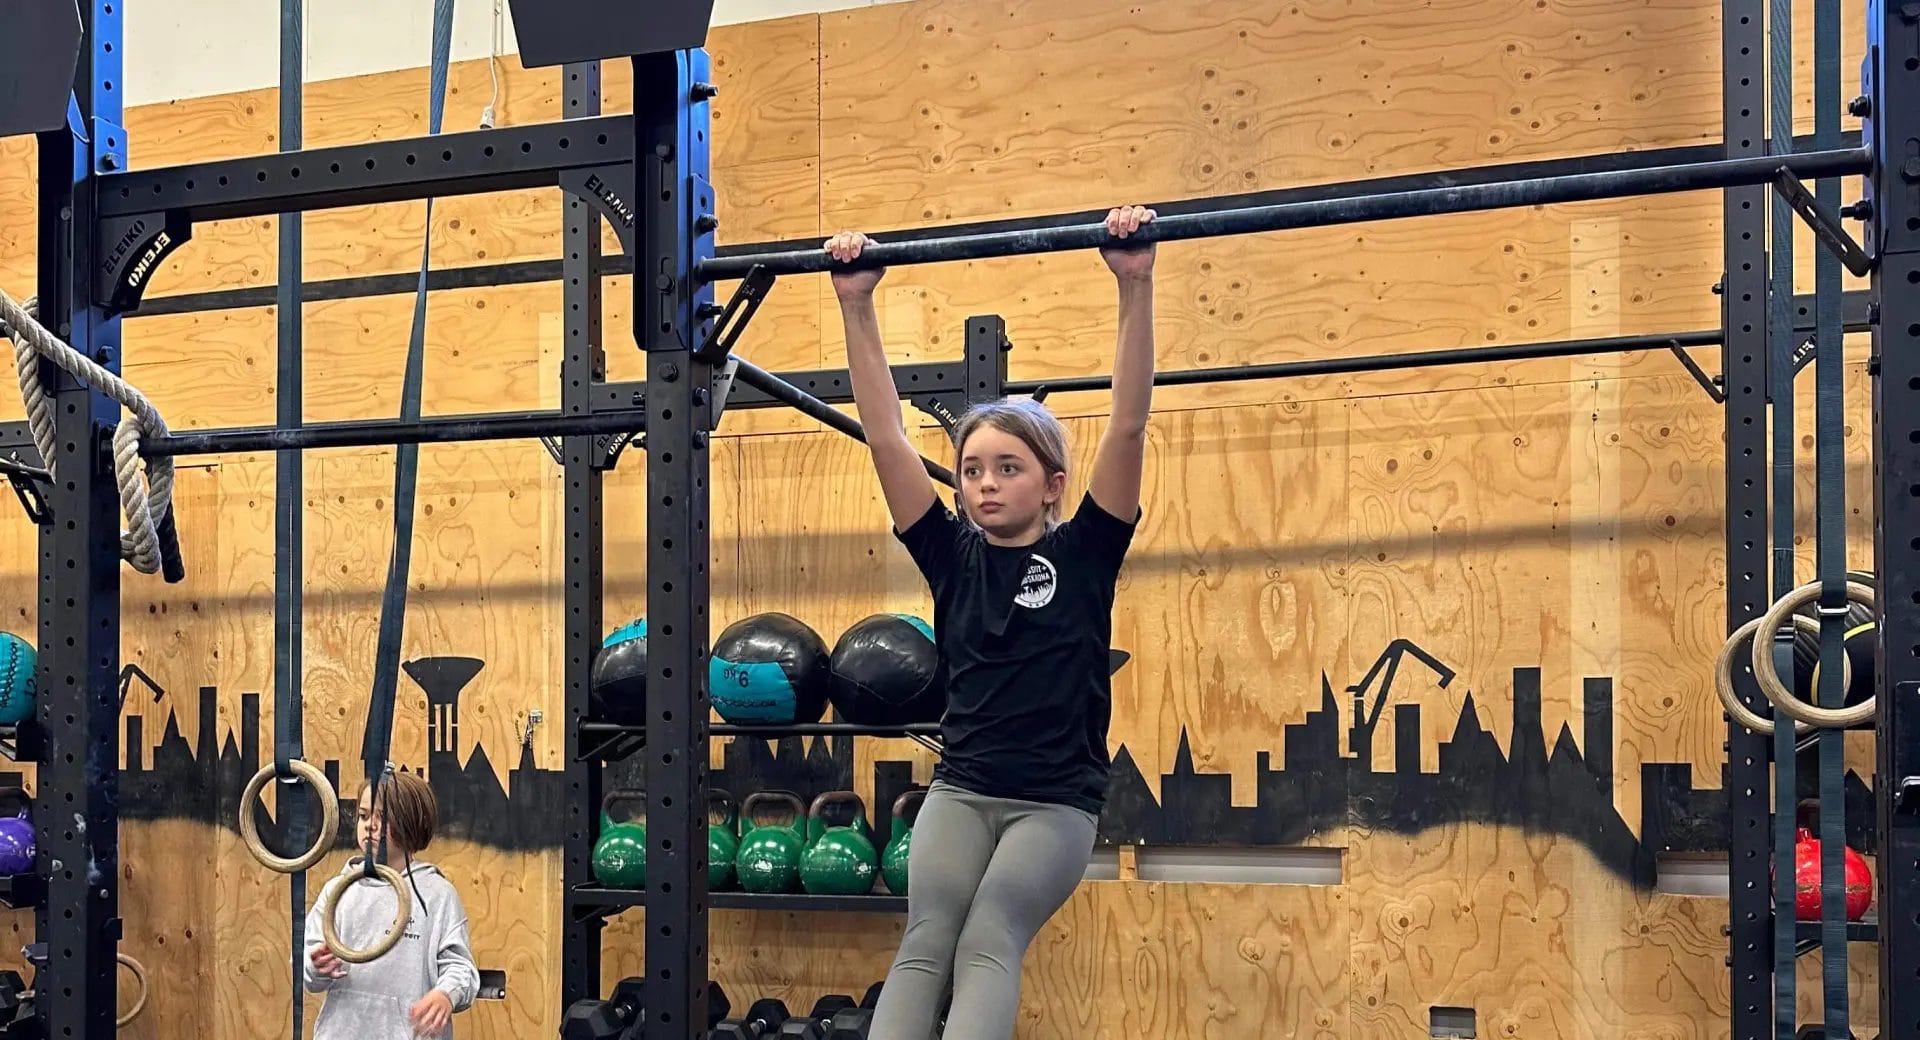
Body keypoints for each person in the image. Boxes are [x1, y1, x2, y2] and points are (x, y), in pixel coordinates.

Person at [823, 204, 1157, 1040]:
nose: (985, 483)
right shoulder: (950, 553)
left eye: (1009, 468)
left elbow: (1127, 422)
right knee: (926, 941)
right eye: (972, 469)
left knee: (988, 939)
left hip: (1054, 805)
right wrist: (856, 305)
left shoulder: (1087, 552)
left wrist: (1135, 287)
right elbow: (887, 434)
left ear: (1051, 484)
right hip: (964, 791)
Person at [304, 769, 479, 1040]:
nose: (369, 825)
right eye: (363, 816)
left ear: (412, 823)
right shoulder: (338, 891)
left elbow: (460, 967)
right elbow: (309, 965)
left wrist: (446, 995)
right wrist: (316, 967)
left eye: (382, 818)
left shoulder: (437, 895)